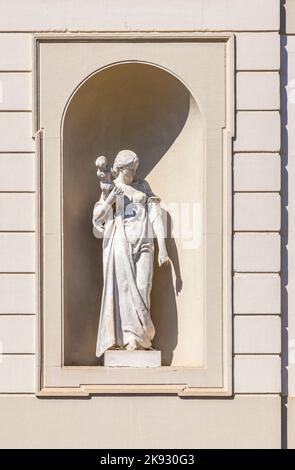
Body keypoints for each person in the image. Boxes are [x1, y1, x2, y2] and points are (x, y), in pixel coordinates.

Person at [93, 149, 169, 358]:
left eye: (135, 169)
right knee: (124, 291)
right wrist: (109, 201)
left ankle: (143, 338)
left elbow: (156, 215)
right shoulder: (112, 188)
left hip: (145, 243)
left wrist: (162, 247)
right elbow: (97, 217)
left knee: (143, 288)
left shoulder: (143, 186)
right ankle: (129, 339)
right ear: (120, 169)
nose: (134, 172)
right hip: (121, 244)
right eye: (130, 169)